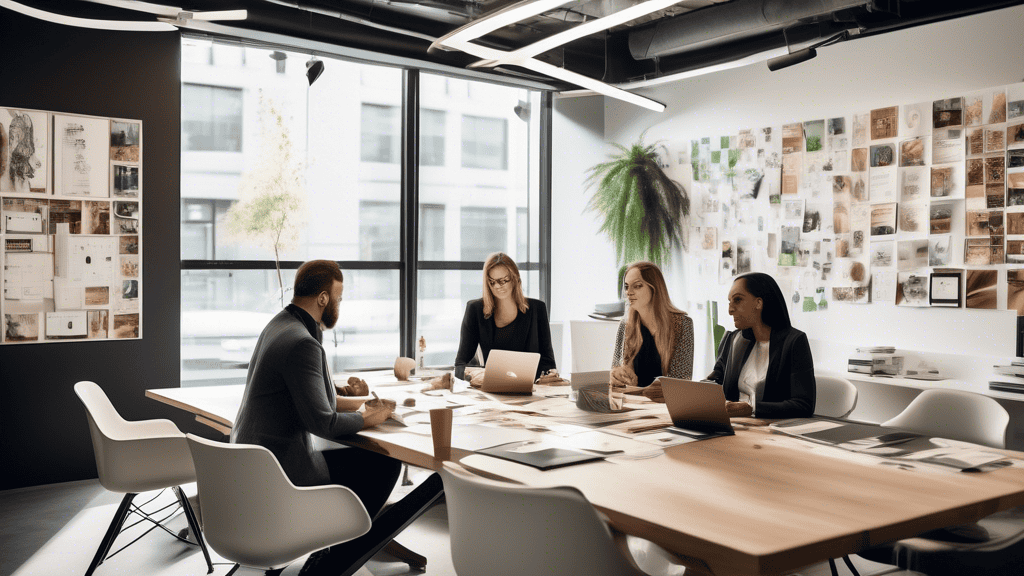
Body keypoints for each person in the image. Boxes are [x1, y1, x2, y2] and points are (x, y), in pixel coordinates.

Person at [232, 260, 441, 574]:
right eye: (339, 299)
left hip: (254, 464)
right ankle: (336, 553)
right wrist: (372, 417)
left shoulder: (280, 325)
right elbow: (323, 423)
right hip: (284, 473)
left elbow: (302, 396)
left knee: (366, 462)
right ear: (323, 299)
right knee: (383, 464)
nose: (339, 306)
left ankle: (346, 538)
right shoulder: (303, 342)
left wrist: (349, 394)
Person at [708, 272, 816, 419]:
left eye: (737, 300)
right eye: (729, 302)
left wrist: (752, 409)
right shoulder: (733, 339)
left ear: (759, 303)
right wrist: (692, 392)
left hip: (770, 429)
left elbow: (804, 405)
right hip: (733, 426)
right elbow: (715, 380)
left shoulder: (794, 342)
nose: (730, 309)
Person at [453, 252, 557, 381]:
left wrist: (547, 376)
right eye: (492, 282)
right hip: (492, 387)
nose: (497, 286)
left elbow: (548, 362)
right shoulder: (475, 309)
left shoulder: (537, 309)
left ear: (515, 278)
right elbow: (461, 364)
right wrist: (477, 376)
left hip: (530, 388)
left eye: (503, 281)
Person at [611, 262, 694, 393]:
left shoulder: (683, 324)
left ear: (654, 288)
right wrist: (616, 376)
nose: (628, 292)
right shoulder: (625, 324)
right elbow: (615, 368)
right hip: (632, 402)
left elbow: (682, 380)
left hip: (665, 407)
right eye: (627, 287)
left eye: (637, 286)